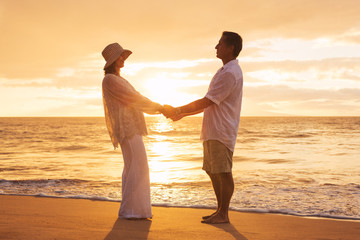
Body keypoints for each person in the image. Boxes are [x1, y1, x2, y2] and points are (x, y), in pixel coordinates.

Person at [163, 31, 243, 224]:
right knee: (212, 170)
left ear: (231, 48)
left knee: (223, 171)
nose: (216, 47)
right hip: (213, 129)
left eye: (220, 44)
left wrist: (179, 109)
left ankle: (224, 213)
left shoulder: (231, 73)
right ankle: (220, 211)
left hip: (222, 130)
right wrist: (182, 114)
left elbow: (207, 101)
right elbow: (211, 102)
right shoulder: (224, 70)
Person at [101, 42, 163, 219]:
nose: (123, 58)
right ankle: (131, 210)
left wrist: (159, 108)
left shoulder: (118, 79)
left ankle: (134, 210)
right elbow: (133, 98)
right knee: (138, 166)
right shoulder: (110, 79)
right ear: (113, 60)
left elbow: (136, 97)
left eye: (123, 55)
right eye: (120, 56)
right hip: (127, 127)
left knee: (133, 166)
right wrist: (160, 108)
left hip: (131, 126)